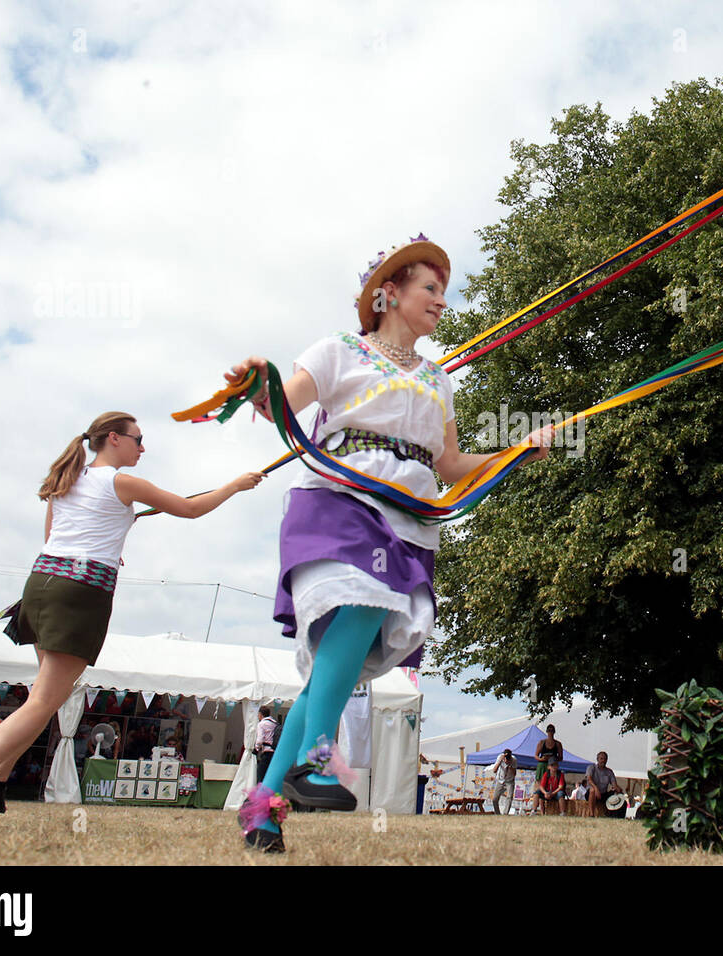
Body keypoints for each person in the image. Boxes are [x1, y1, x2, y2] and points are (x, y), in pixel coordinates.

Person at [227, 235, 553, 852]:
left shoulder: (437, 379)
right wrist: (257, 385)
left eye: (443, 292)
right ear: (389, 292)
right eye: (430, 288)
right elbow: (280, 409)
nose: (441, 301)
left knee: (333, 666)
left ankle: (263, 809)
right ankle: (318, 761)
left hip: (409, 515)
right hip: (339, 500)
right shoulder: (336, 351)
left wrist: (519, 450)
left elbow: (452, 463)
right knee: (363, 599)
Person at [0, 413, 264, 826]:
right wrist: (236, 485)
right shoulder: (121, 483)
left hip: (42, 583)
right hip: (80, 593)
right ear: (113, 438)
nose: (142, 447)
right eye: (138, 439)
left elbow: (56, 538)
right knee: (42, 702)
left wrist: (107, 547)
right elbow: (188, 508)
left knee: (48, 699)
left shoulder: (64, 482)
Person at [586, 751, 624, 818]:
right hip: (591, 793)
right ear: (597, 759)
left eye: (605, 759)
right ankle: (591, 814)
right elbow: (589, 779)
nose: (603, 760)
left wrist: (619, 790)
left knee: (618, 795)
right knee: (592, 790)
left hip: (603, 794)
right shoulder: (591, 767)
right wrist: (596, 788)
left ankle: (614, 815)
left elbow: (614, 785)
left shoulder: (609, 772)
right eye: (601, 758)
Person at [254, 706, 279, 782]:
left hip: (267, 752)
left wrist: (256, 748)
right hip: (275, 752)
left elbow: (260, 739)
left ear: (261, 714)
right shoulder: (275, 723)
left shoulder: (261, 724)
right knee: (270, 776)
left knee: (261, 776)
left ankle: (261, 793)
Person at [491, 747, 518, 814]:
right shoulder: (500, 758)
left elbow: (514, 773)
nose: (507, 761)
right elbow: (494, 770)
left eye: (508, 759)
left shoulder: (514, 760)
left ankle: (505, 813)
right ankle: (497, 813)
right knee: (495, 799)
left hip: (509, 780)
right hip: (500, 780)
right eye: (506, 759)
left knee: (509, 797)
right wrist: (499, 762)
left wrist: (510, 766)